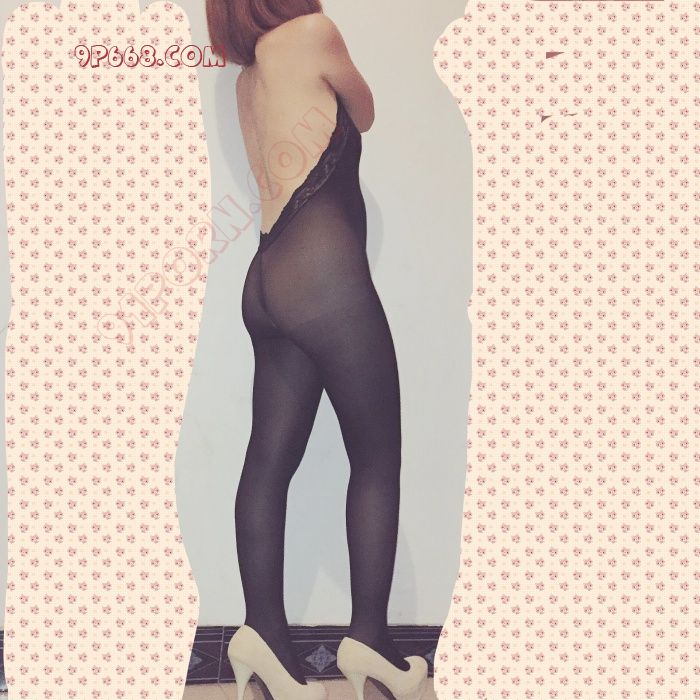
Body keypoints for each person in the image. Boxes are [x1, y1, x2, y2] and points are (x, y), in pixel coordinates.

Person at [206, 2, 428, 699]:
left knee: (267, 463)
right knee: (376, 458)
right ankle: (371, 642)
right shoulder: (311, 34)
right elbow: (365, 111)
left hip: (266, 277)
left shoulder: (245, 77)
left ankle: (263, 637)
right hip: (323, 279)